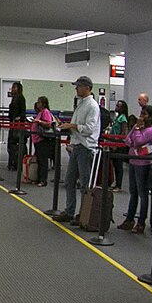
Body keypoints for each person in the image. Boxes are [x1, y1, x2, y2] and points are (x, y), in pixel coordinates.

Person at [52, 75, 101, 224]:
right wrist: (67, 127)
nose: (76, 88)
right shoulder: (81, 104)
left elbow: (89, 129)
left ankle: (83, 214)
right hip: (77, 146)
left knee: (84, 184)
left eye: (79, 86)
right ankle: (70, 211)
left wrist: (71, 126)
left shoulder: (92, 106)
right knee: (69, 181)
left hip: (86, 148)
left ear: (87, 88)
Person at [121, 106, 152, 232]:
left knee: (142, 193)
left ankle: (141, 222)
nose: (141, 116)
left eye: (145, 114)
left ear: (151, 117)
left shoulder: (151, 131)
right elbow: (128, 139)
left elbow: (138, 141)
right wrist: (135, 133)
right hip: (133, 161)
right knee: (133, 192)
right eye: (141, 113)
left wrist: (136, 130)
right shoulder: (136, 127)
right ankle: (129, 219)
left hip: (143, 164)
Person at [32, 95, 56, 185]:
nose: (37, 104)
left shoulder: (45, 112)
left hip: (42, 139)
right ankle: (38, 178)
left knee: (43, 160)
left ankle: (43, 180)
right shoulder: (40, 112)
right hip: (37, 139)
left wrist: (39, 122)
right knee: (39, 160)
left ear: (44, 104)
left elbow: (48, 124)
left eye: (39, 102)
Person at [6, 82, 28, 180]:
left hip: (18, 125)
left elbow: (23, 111)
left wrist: (19, 118)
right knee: (11, 144)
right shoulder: (14, 98)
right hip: (13, 123)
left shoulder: (21, 98)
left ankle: (16, 163)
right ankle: (12, 162)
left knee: (16, 143)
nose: (12, 89)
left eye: (14, 87)